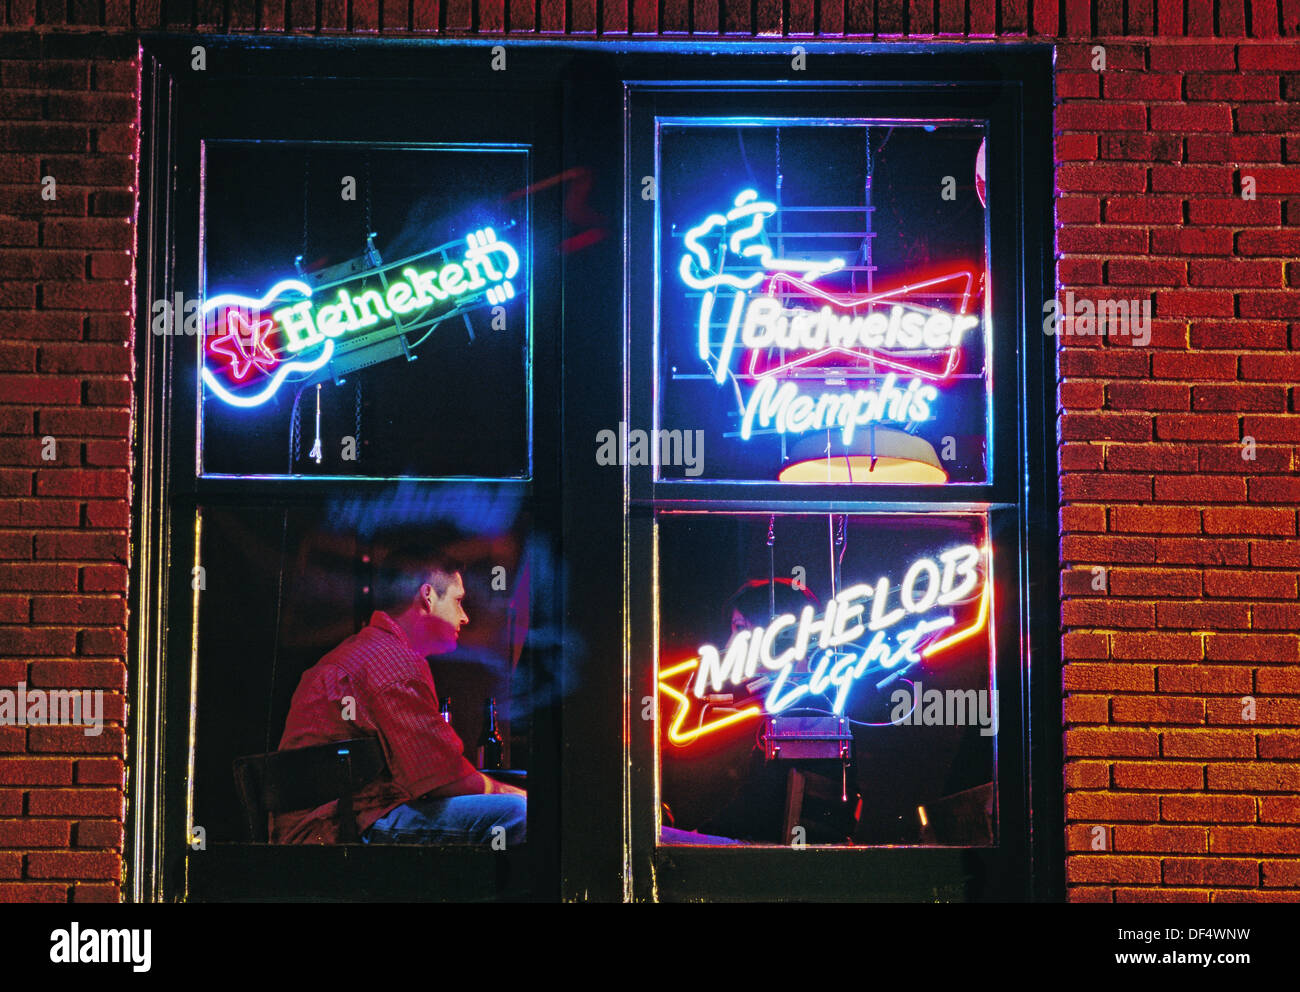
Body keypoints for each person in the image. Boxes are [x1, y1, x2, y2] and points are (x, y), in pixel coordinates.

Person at [271, 543, 526, 846]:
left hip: (324, 826)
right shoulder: (391, 660)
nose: (465, 617)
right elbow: (440, 778)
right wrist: (508, 791)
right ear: (428, 596)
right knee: (519, 813)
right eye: (458, 601)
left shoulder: (367, 651)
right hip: (339, 831)